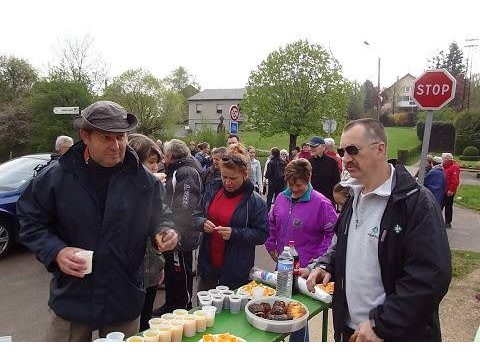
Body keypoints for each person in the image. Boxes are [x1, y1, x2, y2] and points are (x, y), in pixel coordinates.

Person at [16, 100, 179, 341]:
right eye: (106, 137)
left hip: (123, 297)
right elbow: (29, 220)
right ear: (85, 136)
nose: (116, 146)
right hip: (72, 298)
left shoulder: (143, 180)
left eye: (121, 137)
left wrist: (164, 230)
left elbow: (160, 213)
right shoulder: (56, 177)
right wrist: (55, 251)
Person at [303, 118, 451, 342]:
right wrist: (326, 264)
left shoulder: (416, 202)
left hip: (392, 336)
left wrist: (382, 325)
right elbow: (345, 246)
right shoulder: (352, 196)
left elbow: (430, 277)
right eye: (343, 151)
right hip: (350, 331)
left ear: (380, 149)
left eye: (352, 150)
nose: (345, 158)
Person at [266, 158, 337, 342]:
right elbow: (272, 223)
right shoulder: (282, 198)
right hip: (283, 266)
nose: (294, 189)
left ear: (309, 179)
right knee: (279, 311)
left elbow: (332, 236)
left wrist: (317, 261)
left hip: (305, 270)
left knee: (298, 316)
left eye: (298, 185)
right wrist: (271, 244)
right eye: (290, 185)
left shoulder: (322, 204)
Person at [193, 144, 269, 290]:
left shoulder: (255, 201)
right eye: (224, 176)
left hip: (235, 271)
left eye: (233, 178)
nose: (227, 182)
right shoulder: (212, 190)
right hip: (208, 266)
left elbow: (262, 234)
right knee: (204, 310)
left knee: (229, 311)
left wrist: (235, 233)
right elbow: (195, 215)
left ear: (245, 175)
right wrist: (201, 223)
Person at [153, 139, 203, 316]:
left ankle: (183, 306)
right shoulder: (176, 170)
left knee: (181, 270)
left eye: (164, 155)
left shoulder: (186, 171)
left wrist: (177, 232)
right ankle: (171, 304)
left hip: (182, 233)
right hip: (173, 230)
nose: (163, 159)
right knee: (172, 271)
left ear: (170, 155)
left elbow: (186, 205)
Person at [127, 133, 166, 331]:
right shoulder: (123, 188)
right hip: (129, 273)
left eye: (156, 163)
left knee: (145, 321)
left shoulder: (155, 187)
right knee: (128, 324)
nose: (155, 167)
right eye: (150, 162)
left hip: (151, 266)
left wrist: (160, 265)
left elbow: (160, 220)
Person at [308, 136, 340, 205]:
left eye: (314, 146)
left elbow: (336, 182)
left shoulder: (332, 162)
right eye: (310, 146)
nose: (311, 149)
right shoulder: (307, 163)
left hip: (327, 201)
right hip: (310, 201)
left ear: (323, 147)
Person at [441, 152, 460, 228]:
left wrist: (451, 190)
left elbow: (455, 180)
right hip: (443, 190)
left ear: (448, 159)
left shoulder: (454, 167)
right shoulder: (444, 166)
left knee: (448, 206)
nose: (442, 160)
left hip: (448, 191)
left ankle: (448, 222)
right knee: (440, 205)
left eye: (443, 159)